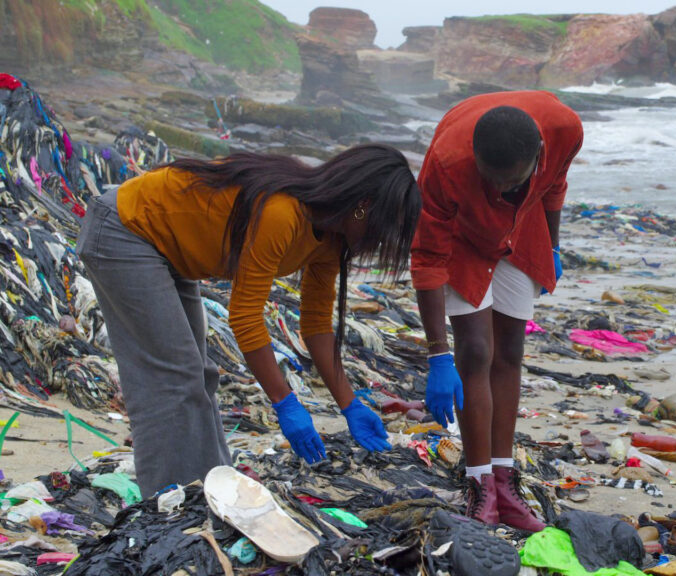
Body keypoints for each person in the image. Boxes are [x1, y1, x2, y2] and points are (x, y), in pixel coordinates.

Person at [77, 144, 421, 497]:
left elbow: (317, 324)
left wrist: (350, 404)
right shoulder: (283, 213)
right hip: (125, 230)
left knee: (200, 377)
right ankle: (165, 503)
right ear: (363, 206)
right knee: (173, 379)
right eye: (385, 227)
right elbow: (245, 316)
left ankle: (211, 486)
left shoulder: (331, 240)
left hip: (169, 249)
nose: (380, 242)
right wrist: (285, 403)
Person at [412, 91, 583, 530]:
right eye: (490, 178)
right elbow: (428, 258)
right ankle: (479, 485)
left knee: (509, 351)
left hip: (524, 226)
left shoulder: (565, 132)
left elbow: (555, 187)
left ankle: (505, 483)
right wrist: (437, 356)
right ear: (475, 157)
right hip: (464, 237)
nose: (497, 188)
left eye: (508, 180)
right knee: (474, 350)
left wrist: (554, 243)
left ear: (537, 155)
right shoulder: (447, 165)